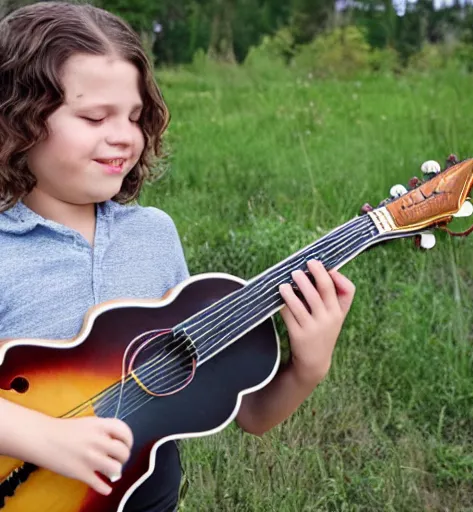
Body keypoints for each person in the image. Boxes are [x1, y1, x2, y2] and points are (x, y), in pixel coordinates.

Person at [0, 2, 356, 511]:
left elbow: (249, 415)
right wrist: (43, 437)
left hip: (147, 497)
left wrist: (307, 369)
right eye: (95, 116)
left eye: (135, 116)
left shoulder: (154, 235)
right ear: (18, 121)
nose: (124, 134)